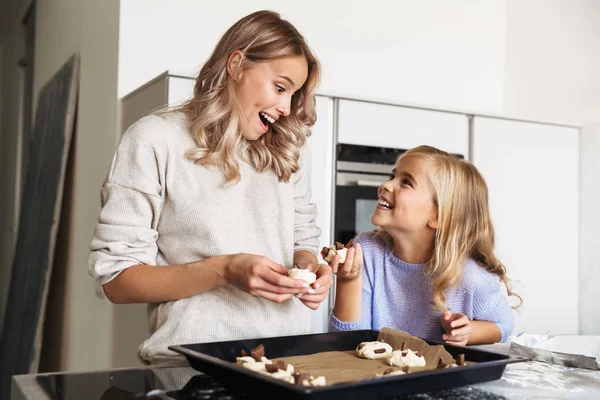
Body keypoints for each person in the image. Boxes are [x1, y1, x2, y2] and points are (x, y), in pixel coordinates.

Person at [89, 10, 332, 366]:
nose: (286, 107)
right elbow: (118, 281)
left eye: (294, 95)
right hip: (190, 366)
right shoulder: (154, 139)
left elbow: (302, 241)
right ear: (236, 65)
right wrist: (224, 270)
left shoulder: (289, 149)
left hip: (286, 361)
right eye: (280, 88)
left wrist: (311, 269)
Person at [328, 145, 521, 346]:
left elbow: (504, 325)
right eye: (392, 176)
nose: (386, 185)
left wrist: (470, 332)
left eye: (406, 182)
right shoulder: (367, 251)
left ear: (437, 216)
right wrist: (348, 281)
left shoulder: (471, 277)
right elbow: (347, 343)